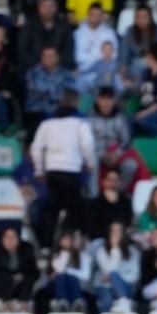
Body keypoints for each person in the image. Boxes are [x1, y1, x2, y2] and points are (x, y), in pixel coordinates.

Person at [31, 89, 95, 246]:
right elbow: (87, 144)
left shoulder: (47, 124)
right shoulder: (80, 123)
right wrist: (90, 162)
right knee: (76, 209)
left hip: (53, 171)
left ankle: (47, 245)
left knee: (52, 210)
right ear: (76, 103)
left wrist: (39, 169)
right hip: (72, 171)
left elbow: (36, 147)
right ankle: (77, 242)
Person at [0, 226, 39, 310]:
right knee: (4, 279)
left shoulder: (27, 250)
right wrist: (9, 277)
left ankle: (24, 305)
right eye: (7, 237)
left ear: (18, 239)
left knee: (28, 278)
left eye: (13, 237)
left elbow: (35, 273)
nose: (10, 240)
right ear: (2, 239)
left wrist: (21, 275)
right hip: (2, 287)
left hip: (21, 287)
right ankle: (8, 305)